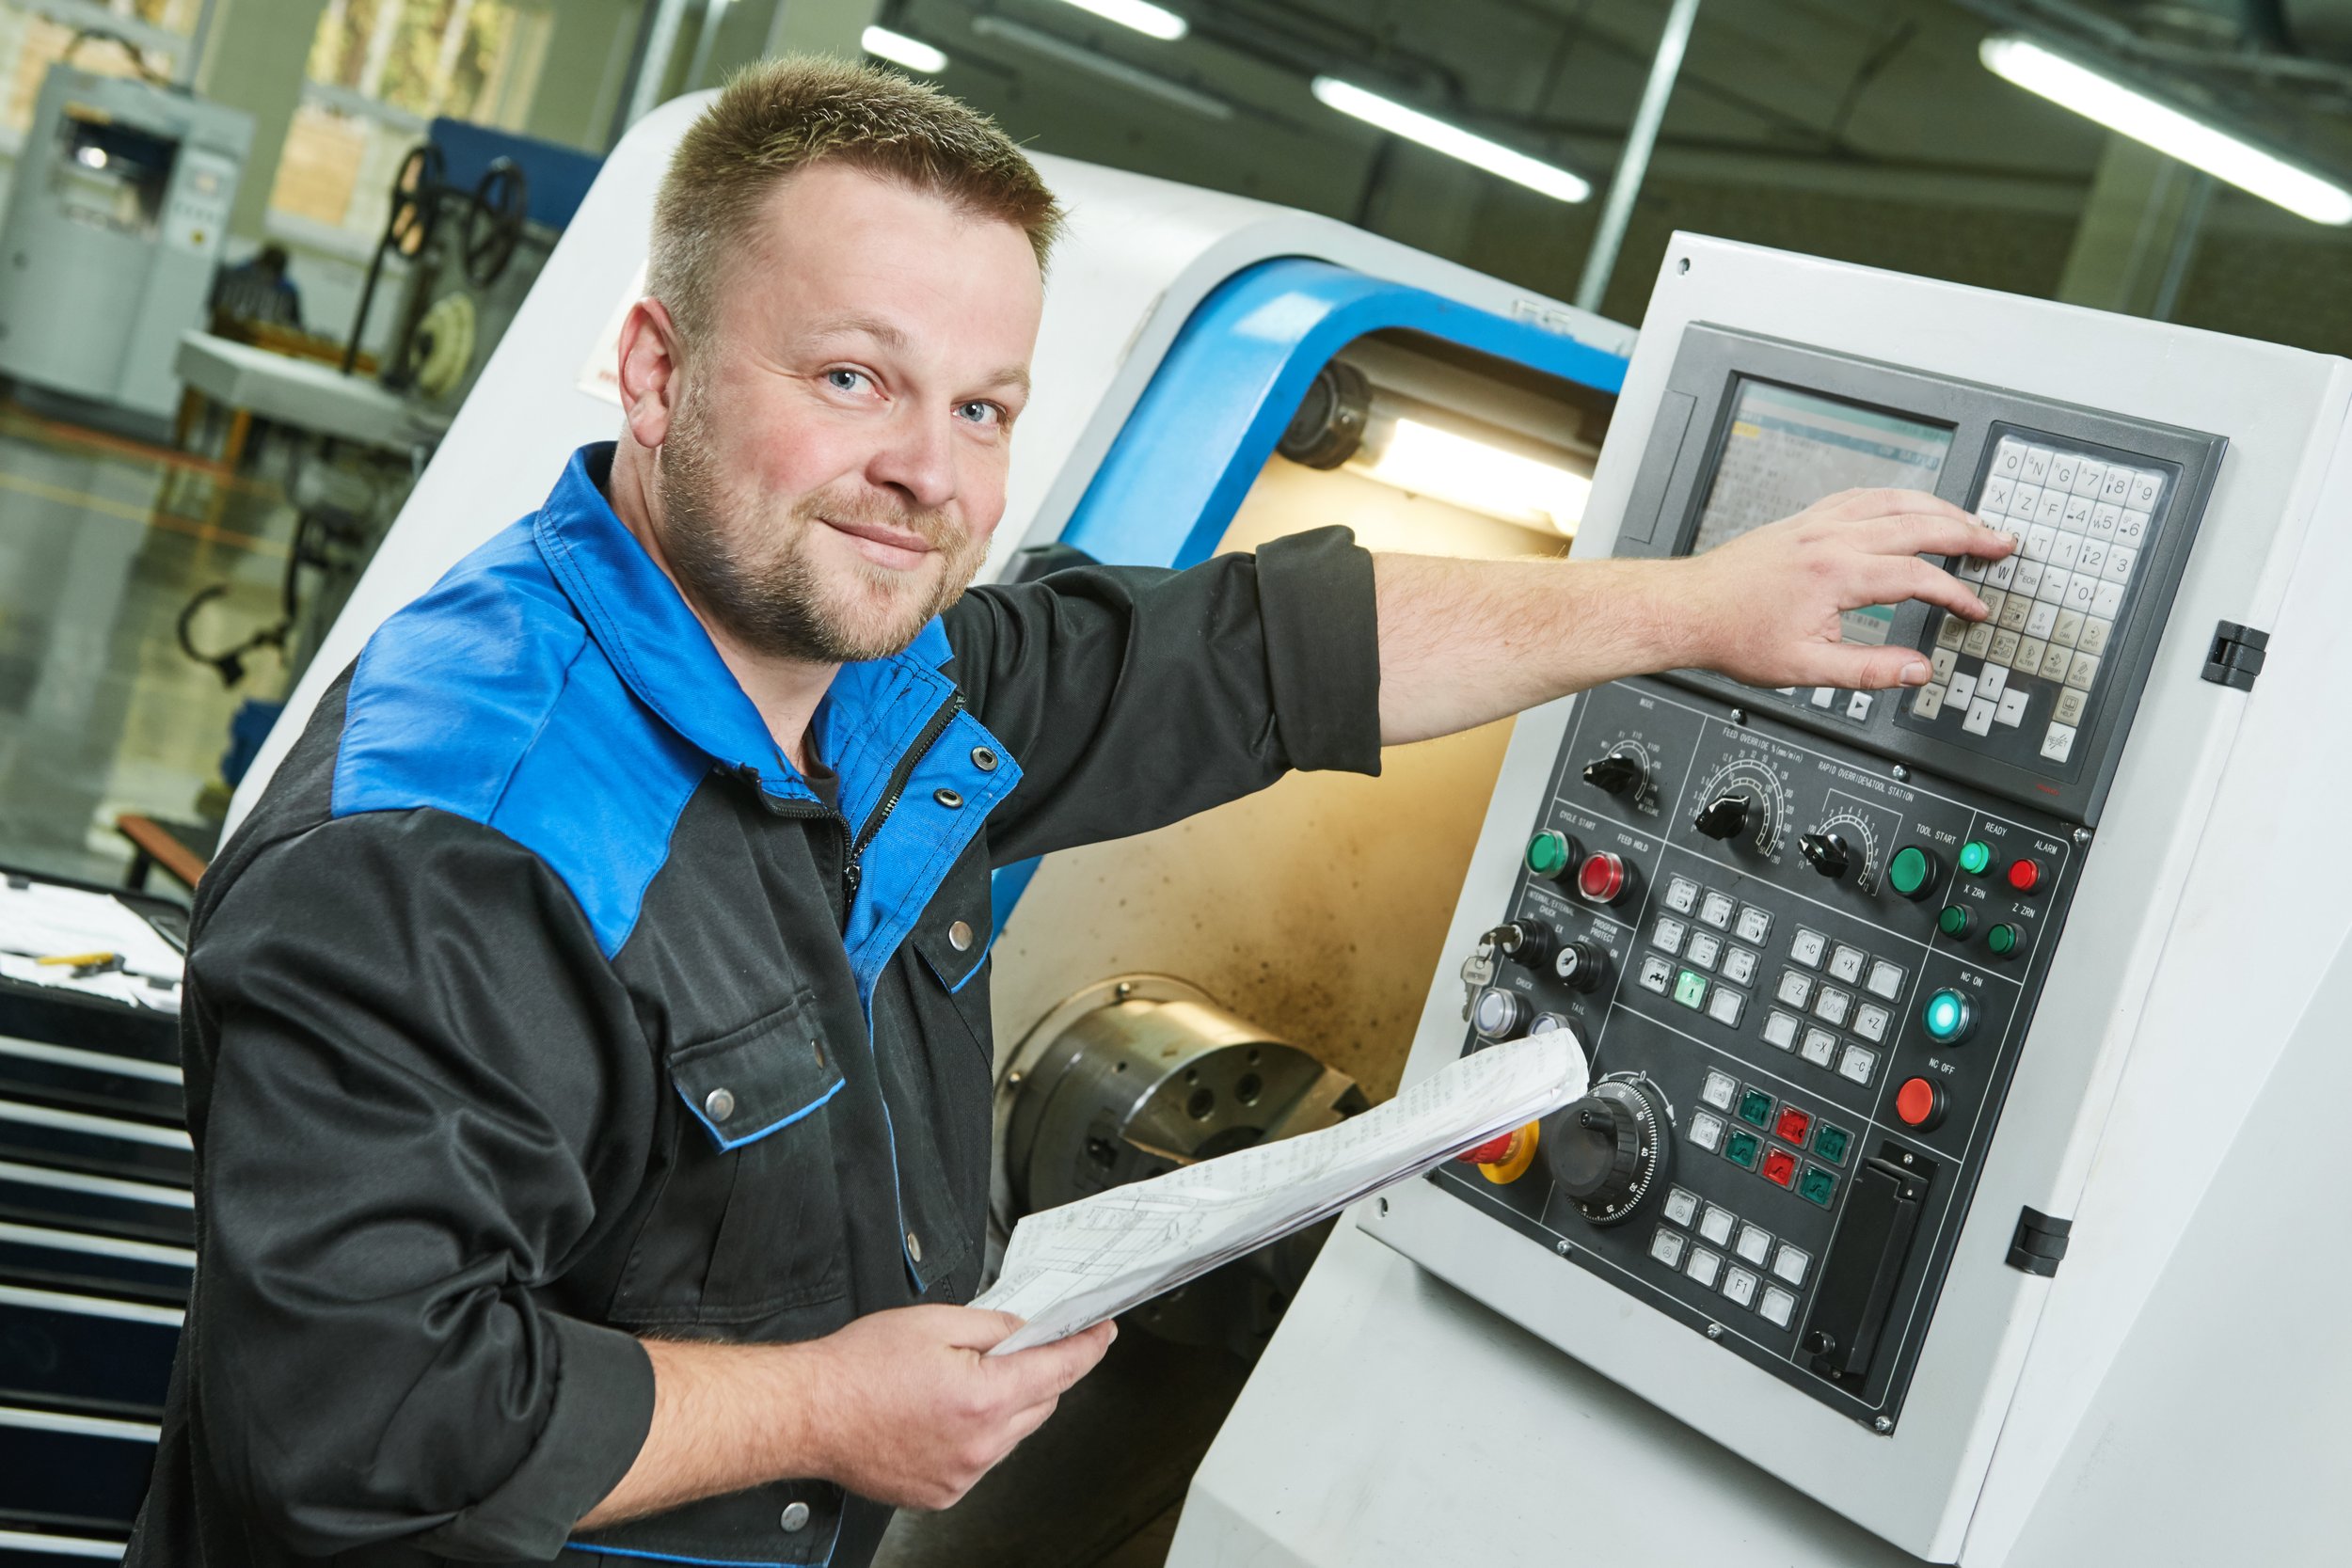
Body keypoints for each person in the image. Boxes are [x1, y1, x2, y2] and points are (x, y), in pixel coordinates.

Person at [126, 56, 2010, 1568]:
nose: (920, 476)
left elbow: (1272, 656)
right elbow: (352, 1419)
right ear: (656, 368)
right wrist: (822, 1411)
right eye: (852, 378)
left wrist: (1693, 612)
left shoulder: (883, 679)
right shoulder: (457, 845)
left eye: (981, 408)